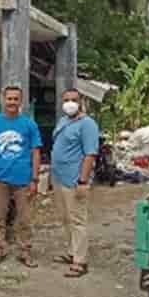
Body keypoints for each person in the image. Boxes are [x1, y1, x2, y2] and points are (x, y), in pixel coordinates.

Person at [0, 85, 42, 268]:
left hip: (23, 180)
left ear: (20, 102)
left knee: (25, 220)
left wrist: (35, 179)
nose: (12, 102)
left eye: (16, 99)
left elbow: (35, 152)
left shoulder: (29, 124)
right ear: (3, 100)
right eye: (9, 99)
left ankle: (25, 252)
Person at [50, 88, 99, 278]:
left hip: (74, 179)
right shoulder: (64, 121)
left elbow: (90, 154)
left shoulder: (87, 124)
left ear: (81, 102)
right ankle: (71, 252)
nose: (69, 103)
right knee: (65, 218)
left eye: (73, 100)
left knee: (78, 220)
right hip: (59, 177)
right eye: (66, 100)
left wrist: (83, 181)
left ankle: (80, 261)